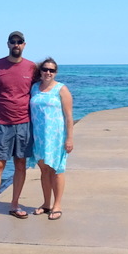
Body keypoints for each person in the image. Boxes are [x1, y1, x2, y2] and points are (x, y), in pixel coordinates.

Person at [0, 31, 37, 226]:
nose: (16, 45)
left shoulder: (31, 67)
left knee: (20, 164)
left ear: (24, 45)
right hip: (2, 123)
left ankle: (15, 204)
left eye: (19, 42)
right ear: (8, 44)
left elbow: (37, 94)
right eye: (13, 42)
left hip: (24, 123)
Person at [29, 57, 74, 220]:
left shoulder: (61, 89)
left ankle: (57, 205)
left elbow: (69, 117)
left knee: (57, 170)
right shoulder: (34, 88)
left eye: (52, 70)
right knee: (44, 170)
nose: (48, 72)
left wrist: (69, 138)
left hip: (56, 137)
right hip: (39, 137)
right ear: (40, 71)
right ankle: (46, 203)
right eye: (45, 69)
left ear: (55, 73)